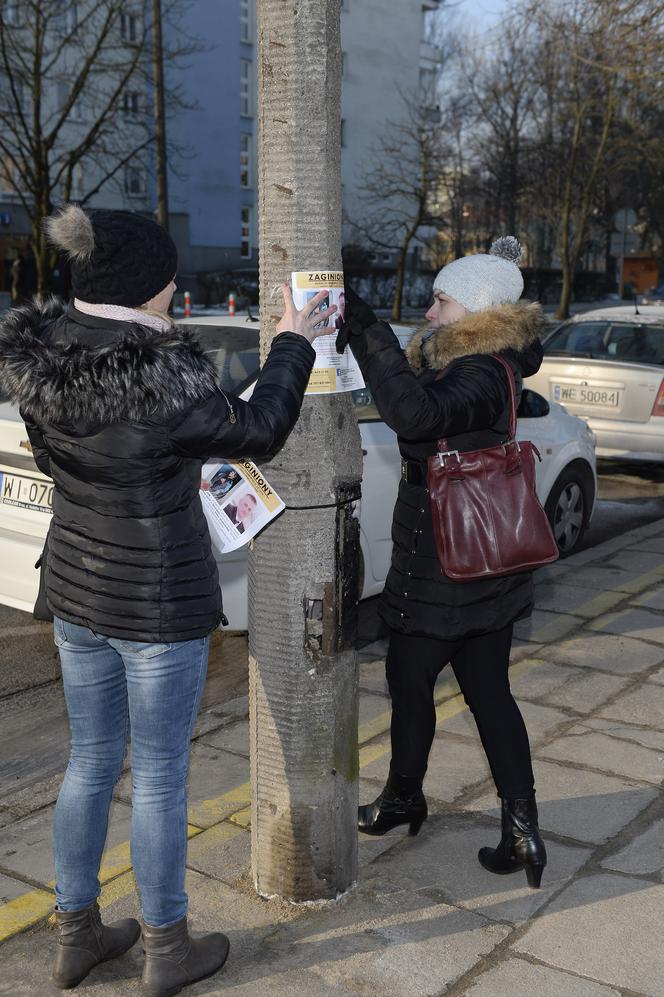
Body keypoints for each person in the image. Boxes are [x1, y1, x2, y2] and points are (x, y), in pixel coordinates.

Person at [0, 204, 335, 994]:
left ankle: (76, 935)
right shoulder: (164, 374)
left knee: (88, 762)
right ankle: (164, 949)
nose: (177, 287)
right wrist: (294, 339)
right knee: (156, 778)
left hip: (77, 592)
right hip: (155, 602)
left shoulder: (41, 356)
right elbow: (259, 428)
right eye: (168, 278)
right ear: (142, 289)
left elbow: (54, 456)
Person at [337, 238, 549, 889]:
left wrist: (368, 329)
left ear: (478, 310)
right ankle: (521, 831)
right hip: (487, 560)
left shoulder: (482, 369)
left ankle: (407, 796)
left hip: (448, 563)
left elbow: (416, 415)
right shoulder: (489, 361)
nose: (430, 313)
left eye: (442, 301)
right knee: (483, 691)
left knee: (411, 674)